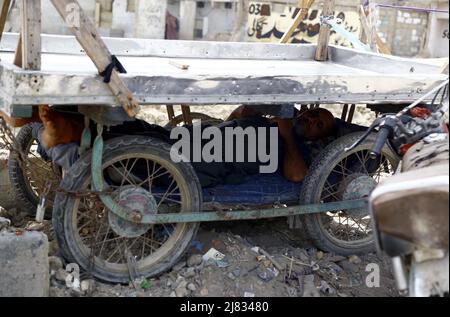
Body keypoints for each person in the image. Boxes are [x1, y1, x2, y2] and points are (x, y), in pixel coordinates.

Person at [1, 105, 337, 187]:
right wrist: (254, 111)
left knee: (142, 154)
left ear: (320, 139)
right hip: (199, 137)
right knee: (134, 126)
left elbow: (296, 178)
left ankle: (64, 141)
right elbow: (231, 119)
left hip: (214, 160)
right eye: (311, 113)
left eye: (318, 124)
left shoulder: (299, 150)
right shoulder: (273, 121)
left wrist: (285, 132)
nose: (309, 119)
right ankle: (56, 117)